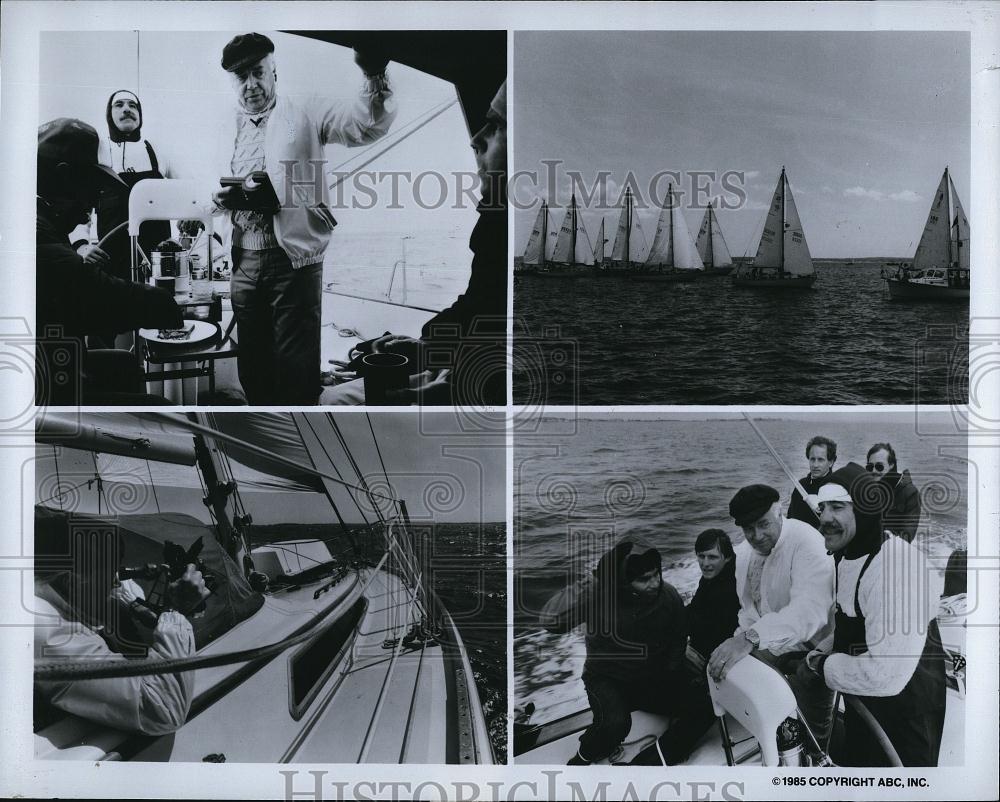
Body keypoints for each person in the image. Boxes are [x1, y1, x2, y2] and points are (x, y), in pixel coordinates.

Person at [213, 33, 397, 405]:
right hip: (242, 263)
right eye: (241, 77)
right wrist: (216, 201)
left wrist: (374, 74)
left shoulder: (306, 110)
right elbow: (211, 192)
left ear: (274, 70)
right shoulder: (223, 128)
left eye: (257, 72)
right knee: (253, 369)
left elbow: (367, 125)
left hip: (294, 260)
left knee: (296, 373)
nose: (251, 84)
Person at [321, 79, 508, 406]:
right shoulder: (496, 220)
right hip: (458, 369)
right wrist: (425, 348)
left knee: (331, 402)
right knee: (333, 391)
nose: (476, 139)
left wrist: (417, 392)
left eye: (495, 127)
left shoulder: (501, 225)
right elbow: (479, 310)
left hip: (473, 384)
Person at [806, 462, 946, 766]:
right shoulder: (851, 553)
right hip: (866, 697)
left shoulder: (897, 570)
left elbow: (887, 675)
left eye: (838, 507)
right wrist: (822, 649)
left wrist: (823, 667)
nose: (824, 519)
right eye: (822, 507)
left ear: (865, 510)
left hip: (906, 707)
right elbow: (855, 619)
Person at [36, 118, 182, 405]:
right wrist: (169, 303)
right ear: (64, 177)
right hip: (48, 395)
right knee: (164, 408)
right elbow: (104, 295)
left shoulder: (40, 218)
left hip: (56, 366)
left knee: (124, 365)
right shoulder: (38, 236)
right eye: (91, 190)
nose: (91, 206)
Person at [34, 516, 209, 735]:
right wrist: (175, 611)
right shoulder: (49, 631)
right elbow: (161, 709)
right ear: (70, 582)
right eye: (109, 575)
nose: (116, 583)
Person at [539, 536, 705, 765]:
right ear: (624, 582)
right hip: (606, 678)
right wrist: (593, 581)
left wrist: (673, 673)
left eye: (657, 574)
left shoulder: (669, 596)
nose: (655, 583)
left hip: (649, 677)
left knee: (701, 700)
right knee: (615, 725)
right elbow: (550, 620)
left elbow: (678, 638)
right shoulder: (598, 596)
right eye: (644, 579)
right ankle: (581, 759)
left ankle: (662, 756)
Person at [707, 484, 836, 746]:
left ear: (780, 512)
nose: (757, 535)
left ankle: (815, 759)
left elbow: (808, 612)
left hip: (812, 648)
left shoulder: (809, 543)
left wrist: (749, 640)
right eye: (748, 528)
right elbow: (748, 610)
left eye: (763, 524)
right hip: (768, 644)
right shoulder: (744, 552)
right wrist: (739, 643)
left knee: (811, 740)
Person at [72, 90, 175, 284]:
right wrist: (82, 246)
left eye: (132, 105)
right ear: (109, 115)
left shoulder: (157, 151)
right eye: (119, 105)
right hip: (112, 264)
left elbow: (190, 191)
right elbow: (78, 209)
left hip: (158, 266)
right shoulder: (96, 154)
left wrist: (192, 218)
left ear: (140, 114)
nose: (127, 109)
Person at [686, 528, 741, 661]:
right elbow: (695, 609)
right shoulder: (714, 575)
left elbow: (711, 633)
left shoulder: (731, 588)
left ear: (727, 558)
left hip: (716, 657)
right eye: (701, 556)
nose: (705, 564)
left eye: (712, 557)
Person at [866, 442, 922, 542]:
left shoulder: (910, 493)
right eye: (870, 467)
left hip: (892, 549)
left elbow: (908, 534)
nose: (873, 471)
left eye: (879, 466)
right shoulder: (867, 488)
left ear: (891, 465)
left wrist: (885, 537)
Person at [786, 435, 837, 527]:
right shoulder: (801, 486)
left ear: (831, 462)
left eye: (820, 460)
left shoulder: (837, 488)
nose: (815, 465)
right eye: (812, 459)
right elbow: (790, 519)